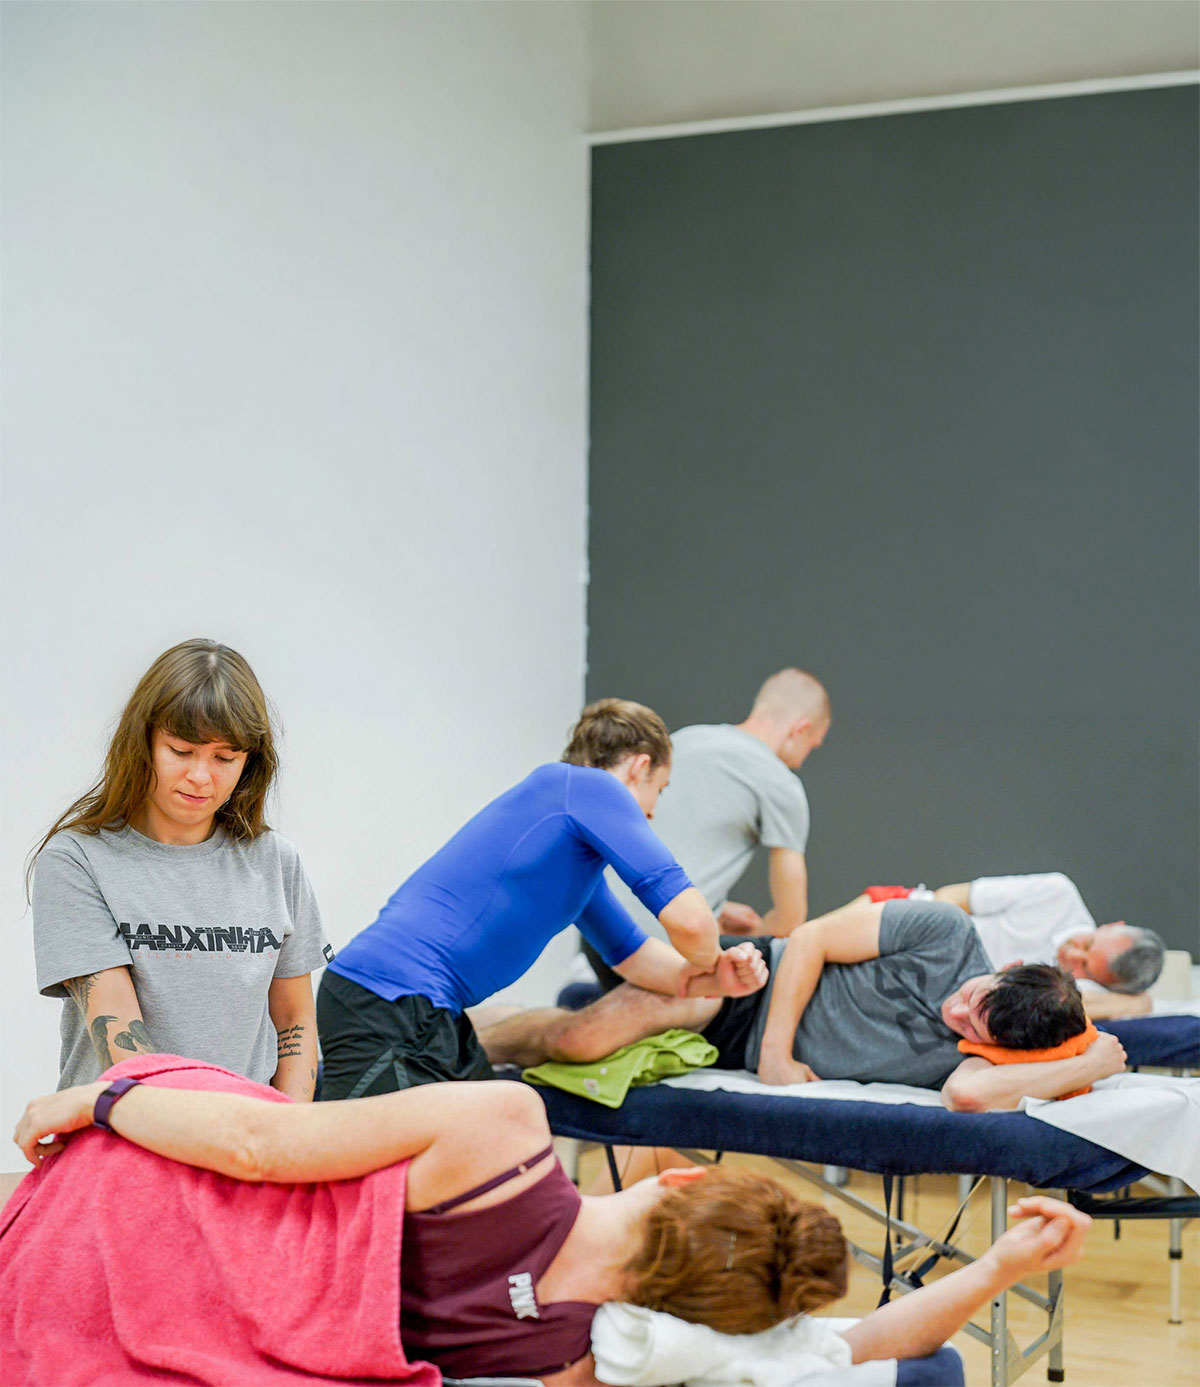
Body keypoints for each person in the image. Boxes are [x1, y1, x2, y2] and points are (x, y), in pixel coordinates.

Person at [7, 1057, 1094, 1386]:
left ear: (680, 1182)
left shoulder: (505, 1126)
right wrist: (997, 1264)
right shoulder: (585, 1358)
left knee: (206, 1088)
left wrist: (98, 1096)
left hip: (142, 1218)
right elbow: (860, 1344)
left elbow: (258, 1147)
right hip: (163, 1336)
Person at [317, 699, 768, 1099]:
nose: (651, 812)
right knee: (390, 1161)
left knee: (497, 1142)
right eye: (659, 790)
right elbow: (690, 923)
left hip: (422, 1010)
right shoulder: (589, 788)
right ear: (639, 767)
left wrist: (717, 978)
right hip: (385, 1000)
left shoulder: (575, 863)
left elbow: (635, 960)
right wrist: (712, 956)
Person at [480, 898, 1128, 1113]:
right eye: (970, 999)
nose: (956, 1015)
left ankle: (467, 1029)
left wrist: (1091, 1062)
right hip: (749, 985)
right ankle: (453, 1036)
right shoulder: (946, 933)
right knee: (578, 1039)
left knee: (573, 1031)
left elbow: (967, 1096)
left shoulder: (982, 1056)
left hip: (735, 1045)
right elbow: (811, 937)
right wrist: (776, 1053)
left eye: (974, 1027)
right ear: (1004, 968)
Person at [28, 638, 329, 1100]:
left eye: (225, 758)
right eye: (181, 751)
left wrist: (288, 1130)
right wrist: (214, 1132)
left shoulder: (276, 862)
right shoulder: (77, 860)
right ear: (143, 743)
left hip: (247, 1135)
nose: (201, 777)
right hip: (125, 1131)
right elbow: (123, 1042)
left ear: (249, 763)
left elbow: (294, 1020)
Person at [581, 670, 829, 991]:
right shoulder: (780, 783)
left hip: (596, 920)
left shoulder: (688, 738)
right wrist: (746, 944)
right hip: (657, 946)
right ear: (801, 729)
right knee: (751, 977)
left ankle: (583, 992)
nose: (802, 761)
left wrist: (718, 909)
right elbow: (789, 920)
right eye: (812, 745)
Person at [837, 874, 1165, 1019]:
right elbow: (951, 896)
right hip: (903, 917)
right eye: (1088, 943)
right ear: (1112, 926)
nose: (1072, 954)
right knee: (805, 945)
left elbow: (1136, 1004)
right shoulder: (1057, 893)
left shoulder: (1080, 993)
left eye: (1085, 967)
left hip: (919, 988)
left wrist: (1136, 1003)